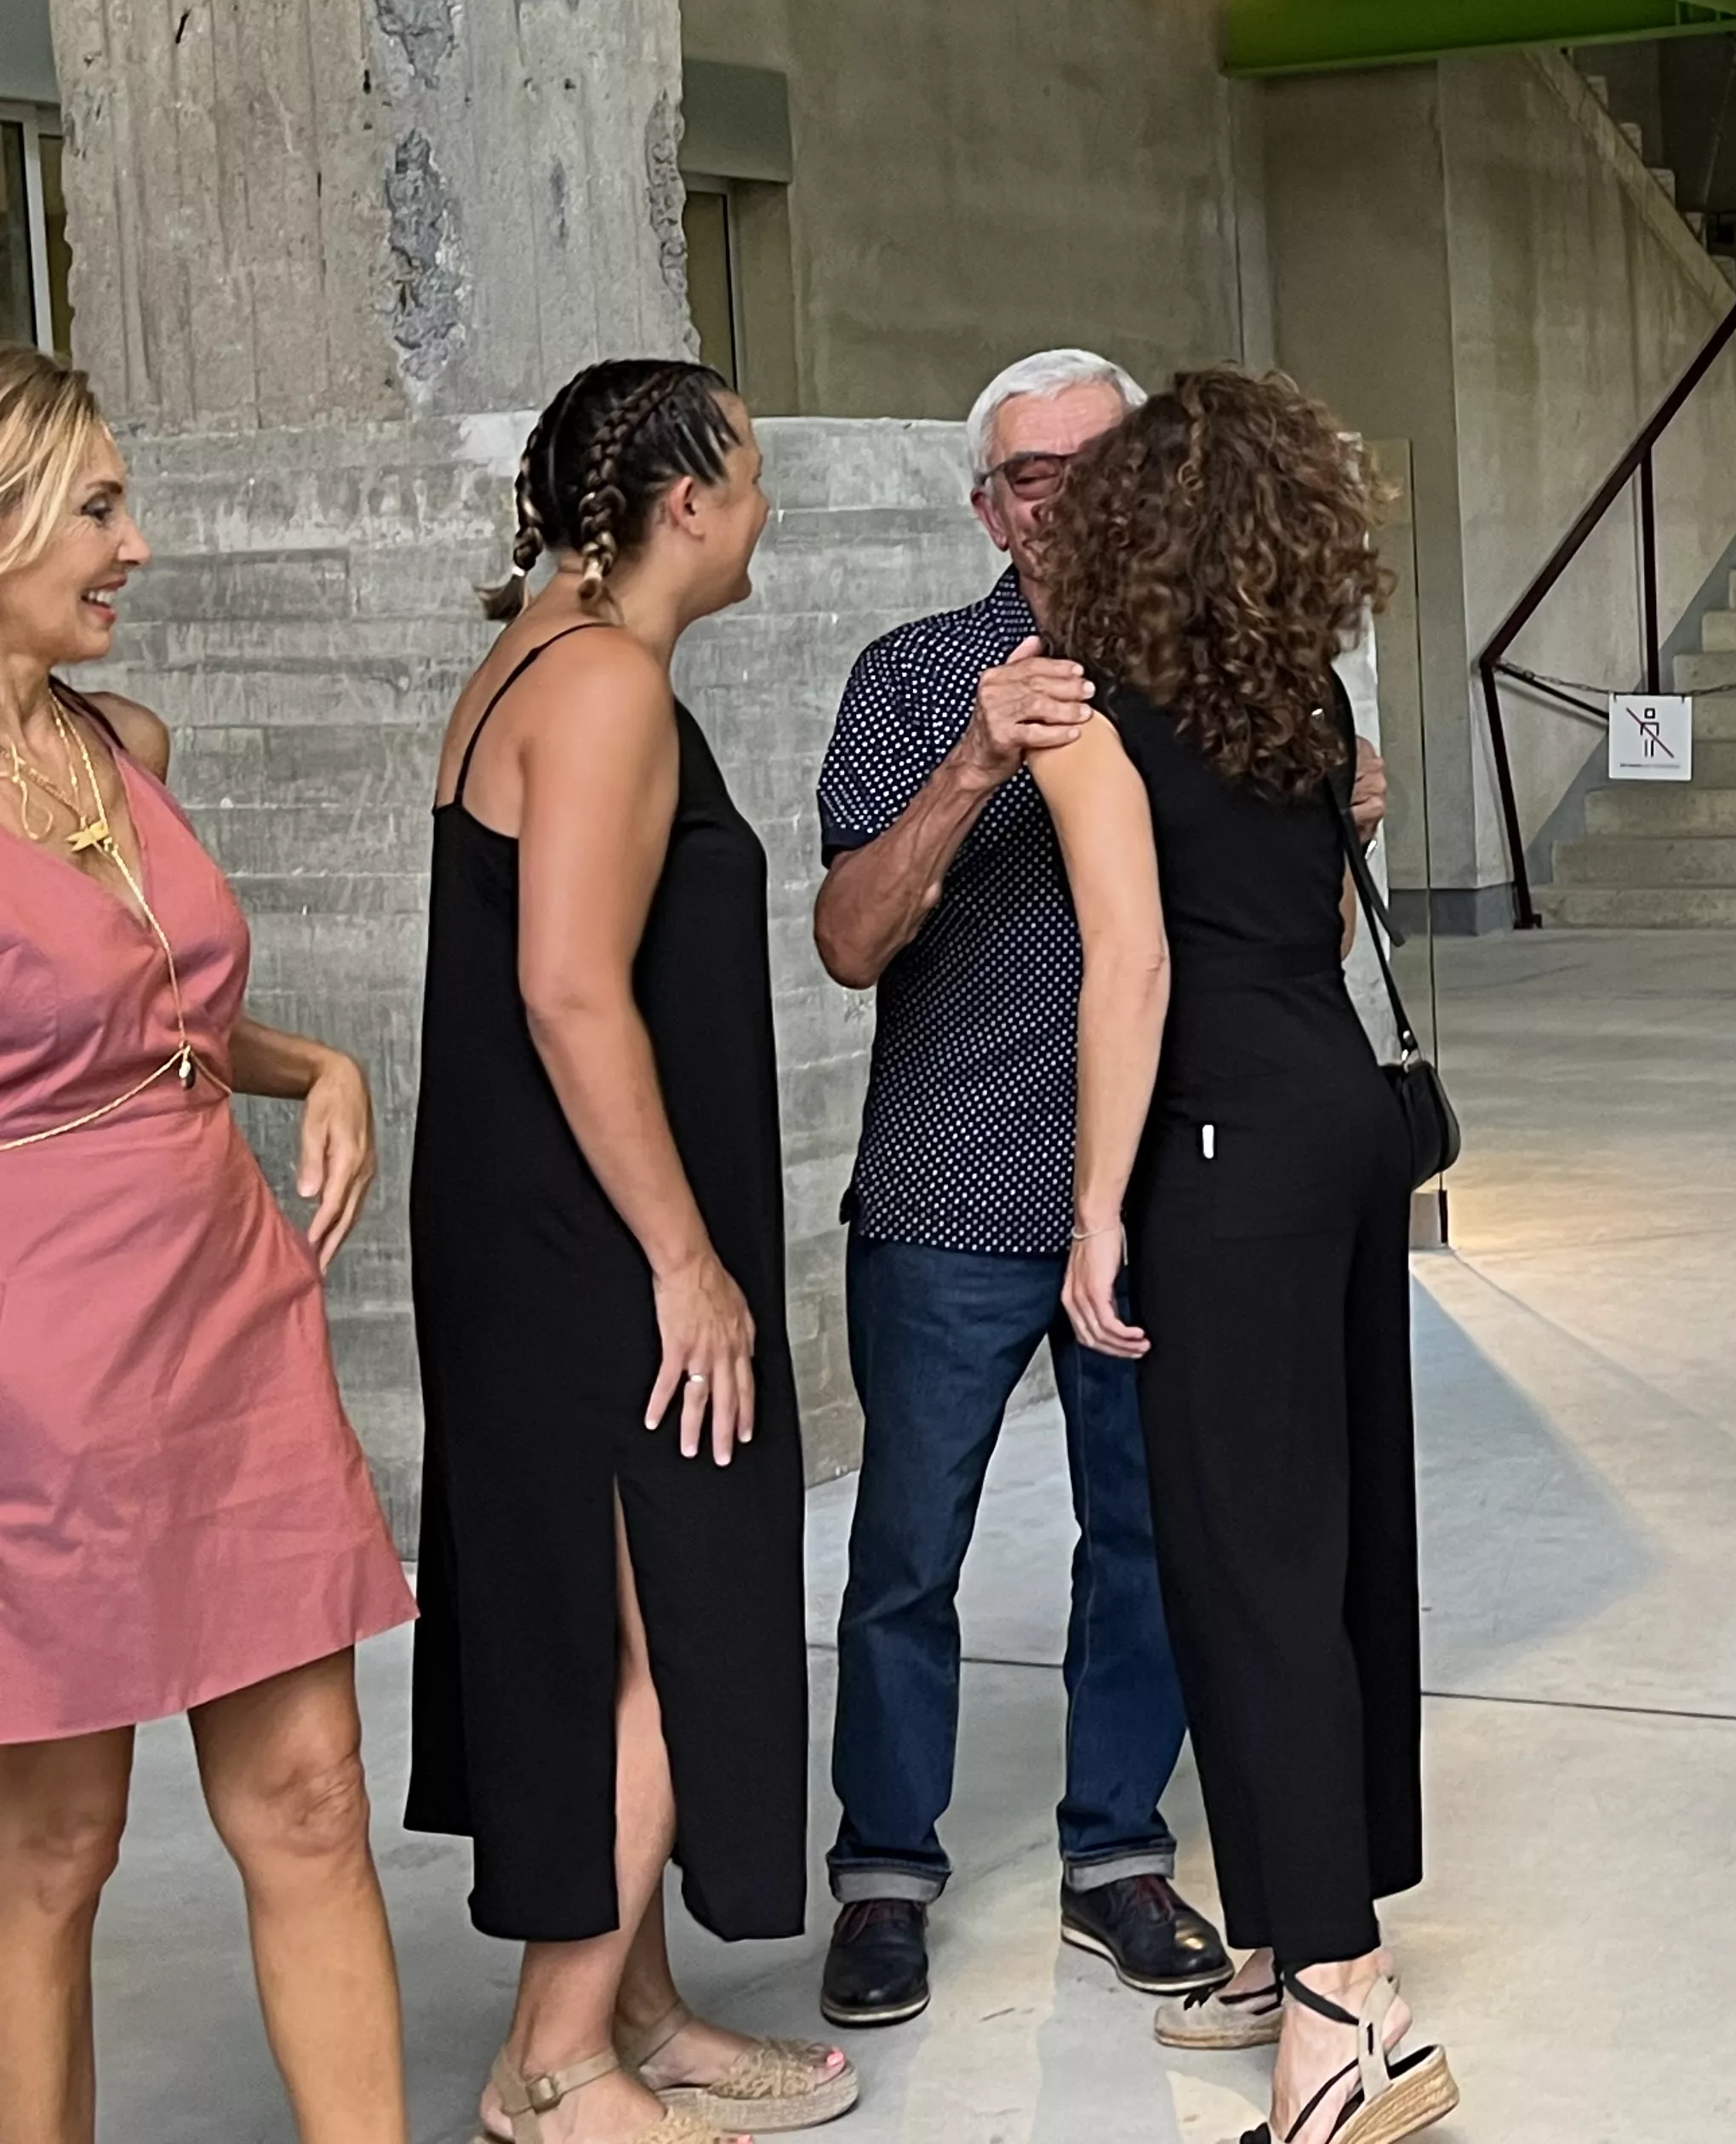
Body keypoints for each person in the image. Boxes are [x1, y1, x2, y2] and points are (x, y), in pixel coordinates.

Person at [814, 350, 1368, 2025]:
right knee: (909, 1550)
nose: (1062, 498)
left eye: (1094, 464)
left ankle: (1116, 1852)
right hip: (951, 1188)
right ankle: (886, 1876)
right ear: (987, 507)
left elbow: (1290, 946)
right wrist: (973, 765)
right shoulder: (918, 675)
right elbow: (846, 942)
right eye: (1028, 476)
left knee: (1152, 1543)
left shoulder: (1233, 669)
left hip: (1174, 1194)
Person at [410, 360, 856, 2144]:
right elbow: (570, 989)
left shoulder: (551, 660)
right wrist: (687, 1257)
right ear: (687, 502)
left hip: (540, 1231)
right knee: (668, 1632)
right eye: (751, 476)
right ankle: (556, 2054)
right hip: (593, 1245)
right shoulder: (602, 689)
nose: (767, 510)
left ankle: (643, 2005)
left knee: (601, 1624)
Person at [1029, 369, 1451, 2144]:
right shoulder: (1300, 690)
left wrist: (1094, 1207)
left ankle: (1348, 2009)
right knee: (1332, 1546)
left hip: (1222, 1148)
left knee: (1243, 1564)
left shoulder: (1092, 716)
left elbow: (1128, 967)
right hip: (1339, 1120)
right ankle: (1300, 1940)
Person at [0, 347, 415, 2144]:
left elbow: (144, 1011)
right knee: (54, 1847)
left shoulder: (117, 748)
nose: (138, 544)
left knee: (315, 1797)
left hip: (229, 1316)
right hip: (37, 1356)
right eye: (98, 505)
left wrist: (310, 1058)